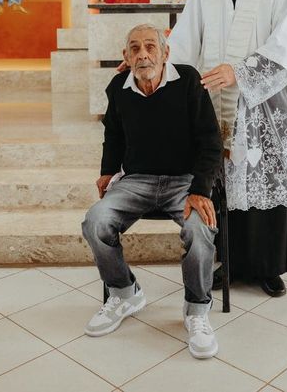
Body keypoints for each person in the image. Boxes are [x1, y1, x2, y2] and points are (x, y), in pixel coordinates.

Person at [168, 0, 287, 296]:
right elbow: (184, 40)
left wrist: (241, 72)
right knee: (225, 184)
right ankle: (230, 263)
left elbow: (286, 41)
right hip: (218, 104)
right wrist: (154, 63)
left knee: (265, 178)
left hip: (266, 104)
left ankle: (269, 267)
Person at [82, 24, 222, 359]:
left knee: (199, 228)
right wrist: (107, 170)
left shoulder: (188, 81)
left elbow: (210, 140)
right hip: (137, 180)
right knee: (95, 221)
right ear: (126, 56)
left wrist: (200, 189)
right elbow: (113, 134)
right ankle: (124, 292)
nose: (143, 55)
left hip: (184, 181)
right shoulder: (119, 87)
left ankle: (196, 310)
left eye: (150, 47)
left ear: (165, 52)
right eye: (135, 48)